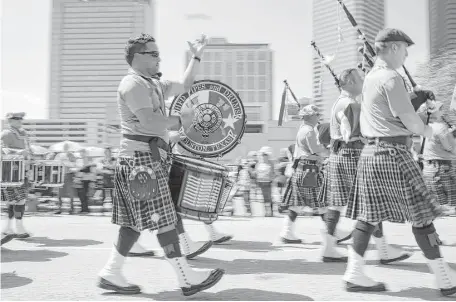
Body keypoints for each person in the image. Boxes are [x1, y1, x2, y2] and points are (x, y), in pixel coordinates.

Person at [97, 33, 224, 296]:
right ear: (137, 57)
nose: (159, 58)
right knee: (164, 218)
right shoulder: (133, 84)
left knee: (134, 223)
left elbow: (186, 84)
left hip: (146, 159)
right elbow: (149, 123)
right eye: (153, 54)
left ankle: (111, 272)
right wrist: (182, 120)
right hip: (140, 162)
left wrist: (196, 55)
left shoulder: (152, 82)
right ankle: (186, 277)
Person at [343, 28, 455, 296]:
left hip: (371, 155)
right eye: (405, 48)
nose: (406, 53)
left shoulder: (371, 78)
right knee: (422, 216)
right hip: (394, 154)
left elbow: (389, 112)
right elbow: (407, 119)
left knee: (368, 217)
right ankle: (444, 278)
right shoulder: (392, 77)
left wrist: (416, 100)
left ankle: (354, 272)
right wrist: (427, 127)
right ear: (393, 48)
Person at [279, 105, 329, 243]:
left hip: (302, 170)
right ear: (311, 116)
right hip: (310, 170)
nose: (319, 117)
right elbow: (317, 151)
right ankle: (333, 233)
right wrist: (329, 149)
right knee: (322, 203)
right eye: (317, 115)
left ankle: (286, 232)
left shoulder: (303, 129)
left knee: (297, 205)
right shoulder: (309, 131)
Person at [420, 102, 456, 215]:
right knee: (451, 207)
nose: (443, 110)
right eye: (441, 108)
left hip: (428, 169)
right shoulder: (441, 128)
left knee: (440, 205)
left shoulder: (424, 127)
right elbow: (450, 148)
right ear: (436, 112)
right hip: (442, 169)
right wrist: (452, 136)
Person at [1, 112, 32, 239]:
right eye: (16, 119)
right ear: (10, 121)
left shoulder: (23, 133)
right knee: (19, 200)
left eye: (20, 119)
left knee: (16, 200)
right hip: (11, 171)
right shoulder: (6, 133)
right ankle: (18, 227)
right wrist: (19, 152)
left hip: (22, 170)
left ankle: (9, 227)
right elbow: (2, 148)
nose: (20, 120)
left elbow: (28, 150)